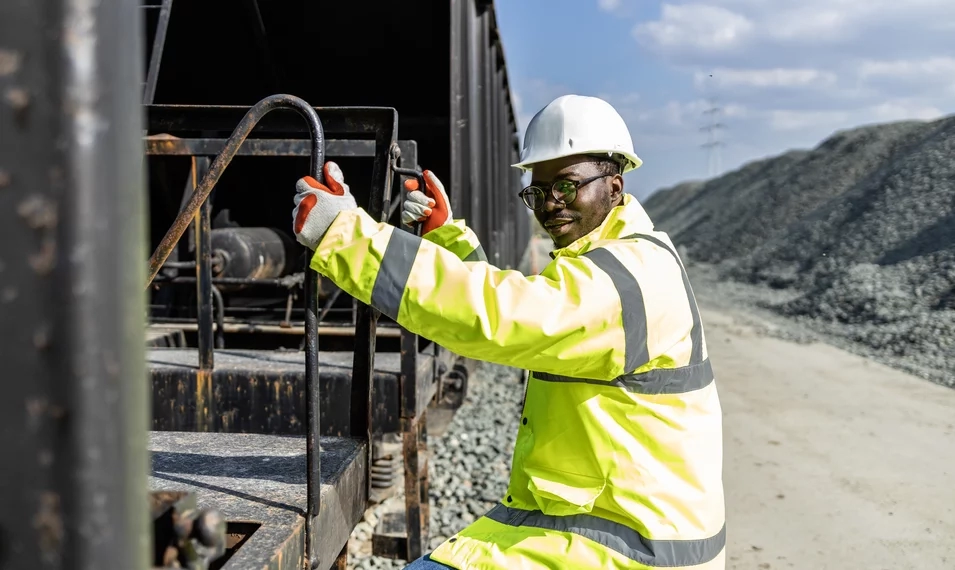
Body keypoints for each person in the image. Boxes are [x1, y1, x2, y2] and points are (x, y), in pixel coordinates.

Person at [291, 94, 726, 570]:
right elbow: (533, 314)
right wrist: (448, 238)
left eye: (566, 185)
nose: (550, 204)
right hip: (600, 529)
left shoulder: (630, 278)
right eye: (537, 192)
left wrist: (346, 234)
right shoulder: (608, 261)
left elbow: (503, 316)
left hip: (628, 550)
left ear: (615, 185)